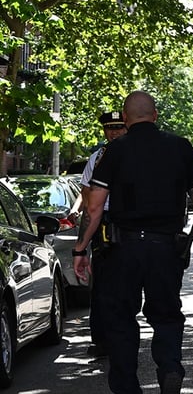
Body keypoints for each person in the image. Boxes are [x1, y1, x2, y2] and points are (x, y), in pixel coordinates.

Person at [72, 91, 193, 394]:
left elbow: (94, 207)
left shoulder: (114, 151)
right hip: (165, 248)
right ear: (155, 114)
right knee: (167, 316)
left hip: (122, 250)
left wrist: (80, 249)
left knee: (121, 322)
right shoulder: (180, 147)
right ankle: (170, 369)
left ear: (125, 117)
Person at [74, 111, 127, 358]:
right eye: (110, 128)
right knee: (102, 285)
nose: (114, 132)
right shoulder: (97, 158)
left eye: (119, 127)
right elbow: (88, 199)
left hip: (133, 223)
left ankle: (125, 336)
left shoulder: (137, 153)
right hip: (104, 223)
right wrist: (83, 243)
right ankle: (101, 339)